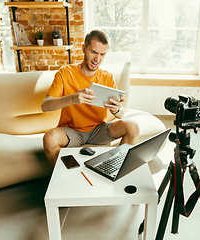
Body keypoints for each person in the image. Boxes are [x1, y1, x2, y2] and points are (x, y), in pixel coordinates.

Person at [41, 30, 139, 167]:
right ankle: (65, 177)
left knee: (133, 127)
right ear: (83, 48)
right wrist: (73, 99)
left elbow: (121, 114)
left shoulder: (107, 77)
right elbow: (45, 106)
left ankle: (114, 169)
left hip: (99, 129)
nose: (97, 59)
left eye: (102, 54)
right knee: (50, 138)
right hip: (71, 131)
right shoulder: (65, 73)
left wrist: (117, 110)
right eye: (94, 52)